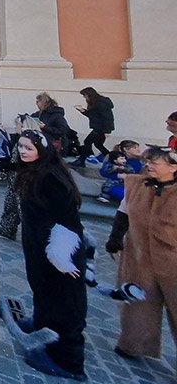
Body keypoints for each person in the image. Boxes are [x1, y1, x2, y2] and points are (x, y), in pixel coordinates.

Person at [16, 129, 87, 381]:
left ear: (42, 150)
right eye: (21, 147)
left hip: (59, 253)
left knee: (64, 302)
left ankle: (68, 361)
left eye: (29, 148)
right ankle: (42, 324)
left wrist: (60, 257)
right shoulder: (34, 171)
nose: (23, 152)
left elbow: (65, 222)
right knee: (44, 290)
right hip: (40, 248)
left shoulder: (51, 178)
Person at [111, 146, 177, 363]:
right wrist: (115, 238)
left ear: (173, 167)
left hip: (172, 258)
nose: (148, 166)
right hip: (140, 254)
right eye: (147, 162)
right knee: (139, 302)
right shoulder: (138, 185)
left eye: (154, 163)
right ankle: (133, 344)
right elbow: (124, 211)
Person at [70, 87, 114, 167]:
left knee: (87, 142)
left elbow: (107, 117)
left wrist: (107, 130)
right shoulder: (96, 103)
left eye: (85, 95)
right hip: (99, 127)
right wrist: (82, 111)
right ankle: (113, 159)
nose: (84, 97)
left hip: (101, 128)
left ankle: (82, 160)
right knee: (98, 144)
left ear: (89, 94)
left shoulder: (100, 103)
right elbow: (93, 116)